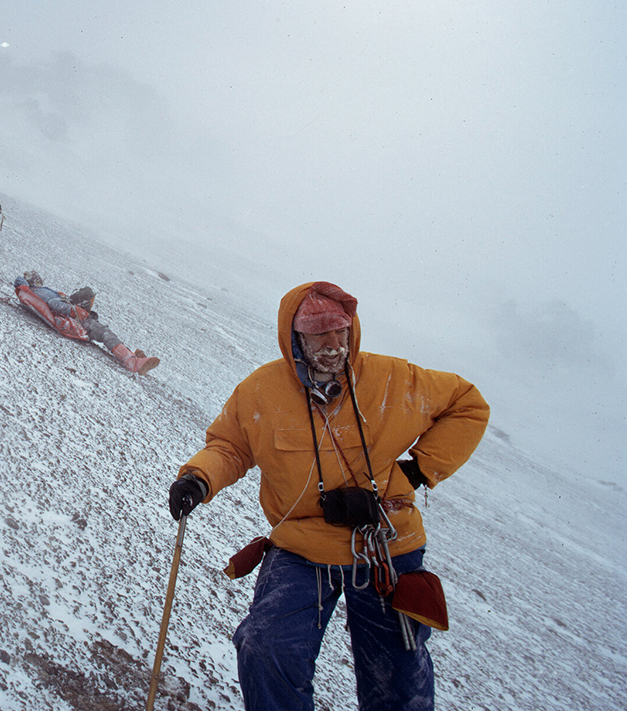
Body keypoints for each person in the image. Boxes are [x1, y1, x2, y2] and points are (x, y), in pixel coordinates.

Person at [168, 281, 489, 711]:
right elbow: (231, 446)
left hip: (385, 547)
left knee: (398, 682)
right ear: (294, 336)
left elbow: (467, 404)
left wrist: (413, 473)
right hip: (301, 546)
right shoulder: (261, 391)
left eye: (342, 331)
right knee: (265, 647)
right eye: (320, 333)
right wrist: (198, 479)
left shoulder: (392, 379)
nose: (335, 344)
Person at [13, 271, 160, 375]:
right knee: (103, 332)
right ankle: (132, 362)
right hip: (76, 318)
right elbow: (54, 304)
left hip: (73, 314)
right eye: (37, 279)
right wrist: (75, 310)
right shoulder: (39, 292)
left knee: (101, 327)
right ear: (33, 282)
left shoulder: (38, 291)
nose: (40, 281)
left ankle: (131, 354)